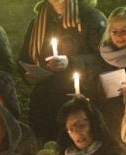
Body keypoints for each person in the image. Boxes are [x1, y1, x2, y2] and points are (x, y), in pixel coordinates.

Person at [18, 0, 105, 142]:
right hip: (44, 104)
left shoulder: (90, 17)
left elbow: (103, 58)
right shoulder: (37, 23)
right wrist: (28, 75)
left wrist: (70, 62)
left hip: (78, 102)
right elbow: (24, 59)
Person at [98, 7, 126, 134]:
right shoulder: (103, 53)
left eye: (124, 31)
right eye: (114, 31)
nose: (119, 36)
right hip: (110, 115)